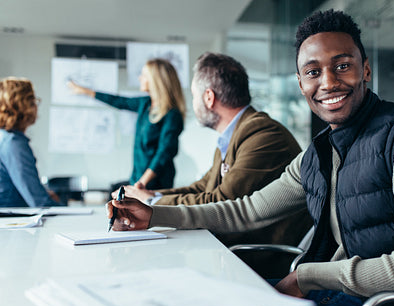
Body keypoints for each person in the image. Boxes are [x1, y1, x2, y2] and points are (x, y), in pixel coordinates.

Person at [106, 10, 394, 306]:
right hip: (344, 298)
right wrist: (155, 215)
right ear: (301, 85)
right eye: (313, 71)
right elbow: (246, 210)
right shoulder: (318, 153)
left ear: (366, 69)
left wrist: (308, 276)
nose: (329, 82)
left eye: (343, 65)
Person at [116, 52, 312, 251]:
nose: (193, 104)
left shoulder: (262, 135)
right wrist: (149, 194)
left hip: (260, 256)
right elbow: (202, 187)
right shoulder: (233, 135)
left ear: (209, 98)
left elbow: (222, 201)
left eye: (194, 96)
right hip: (235, 247)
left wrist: (151, 202)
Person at [68, 58, 185, 190]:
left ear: (155, 80)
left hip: (156, 184)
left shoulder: (172, 115)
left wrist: (142, 182)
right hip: (137, 179)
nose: (140, 78)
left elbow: (164, 153)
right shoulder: (145, 104)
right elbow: (119, 101)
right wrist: (87, 92)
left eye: (144, 75)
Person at [0, 77, 61, 207]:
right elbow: (39, 202)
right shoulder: (13, 143)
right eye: (33, 101)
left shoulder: (5, 138)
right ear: (23, 105)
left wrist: (44, 193)